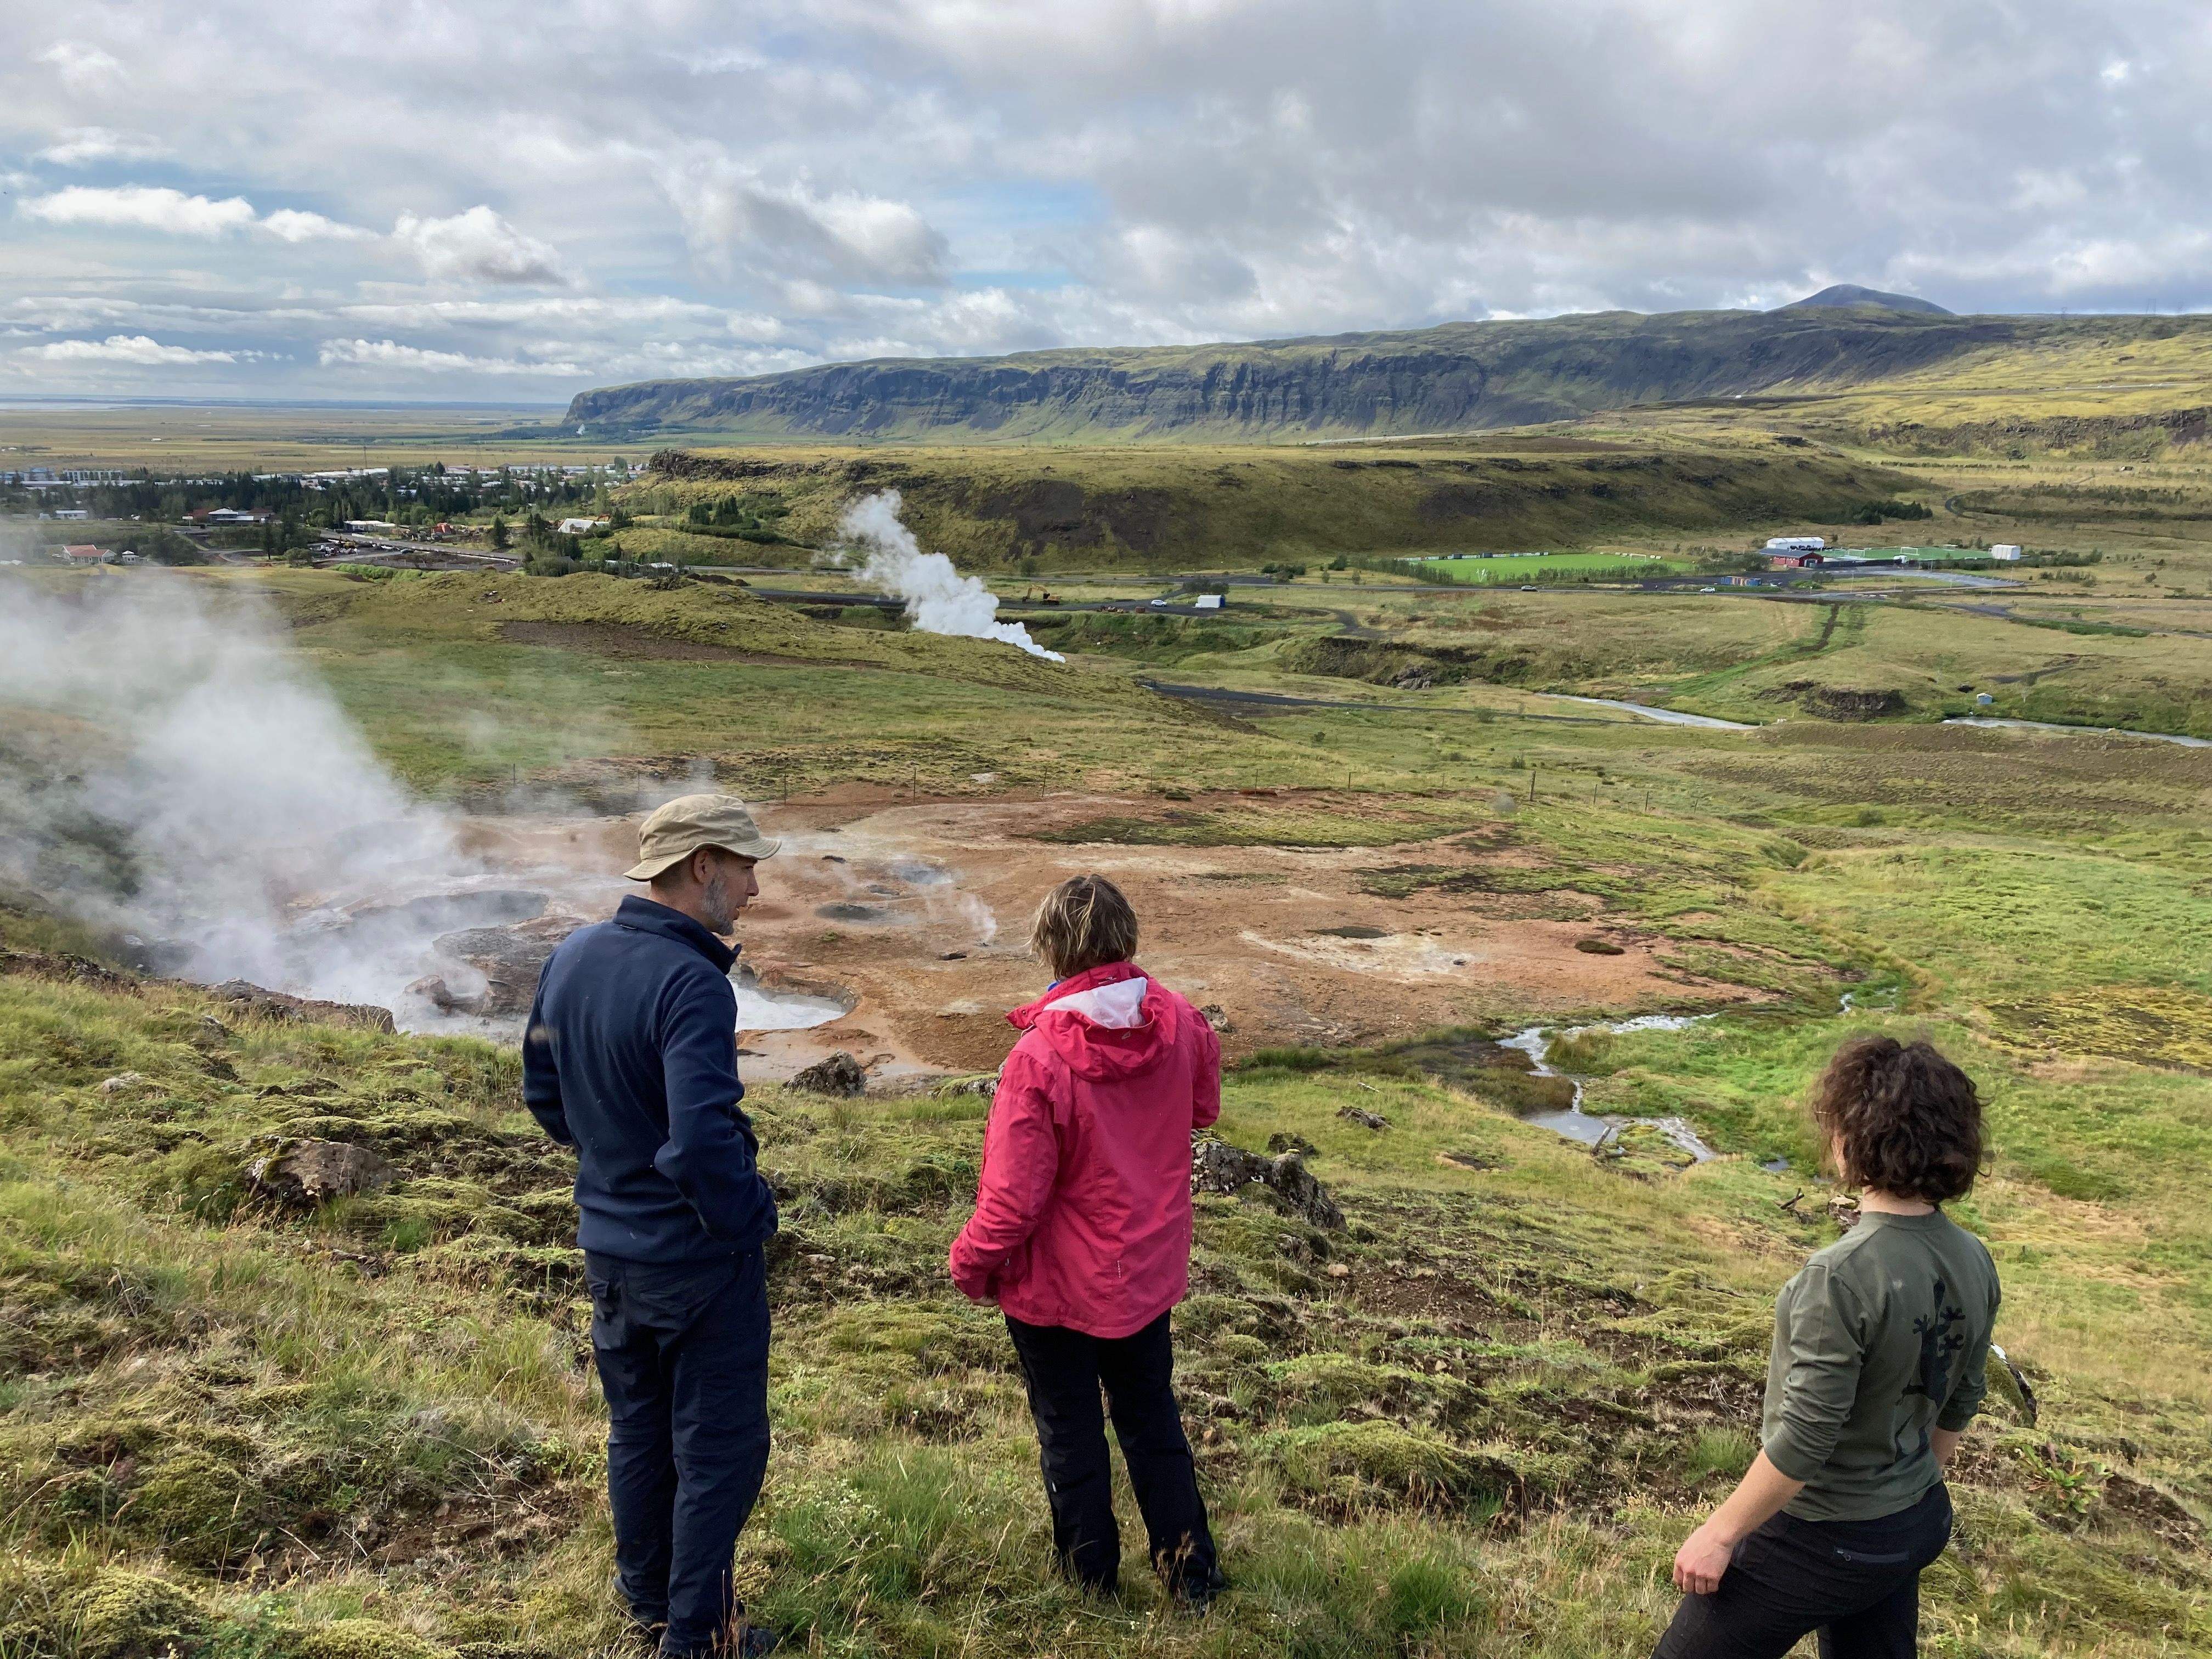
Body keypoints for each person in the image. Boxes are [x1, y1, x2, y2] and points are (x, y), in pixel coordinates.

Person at [524, 794, 785, 1659]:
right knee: (720, 1451)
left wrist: (612, 1162)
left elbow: (544, 1097)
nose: (754, 887)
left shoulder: (573, 955)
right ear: (703, 866)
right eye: (745, 868)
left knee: (639, 1430)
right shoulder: (692, 982)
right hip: (696, 1262)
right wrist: (749, 1218)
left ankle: (647, 1604)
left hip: (609, 1250)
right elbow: (704, 1138)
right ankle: (699, 1636)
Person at [1653, 1035, 2001, 1659]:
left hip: (1822, 1538)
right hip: (1916, 1521)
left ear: (1853, 1140)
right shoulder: (1973, 1257)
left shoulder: (1839, 1277)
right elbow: (1962, 1397)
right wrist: (1905, 1489)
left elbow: (1806, 1438)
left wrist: (1720, 1533)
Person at [948, 874, 1228, 1609]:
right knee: (1151, 1421)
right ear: (1125, 937)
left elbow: (1012, 1203)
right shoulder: (1183, 1022)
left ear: (1052, 947)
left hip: (1055, 1292)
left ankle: (1090, 1584)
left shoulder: (1037, 1060)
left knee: (1070, 1435)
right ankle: (1192, 1575)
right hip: (1145, 1274)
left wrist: (970, 1264)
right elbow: (1203, 1110)